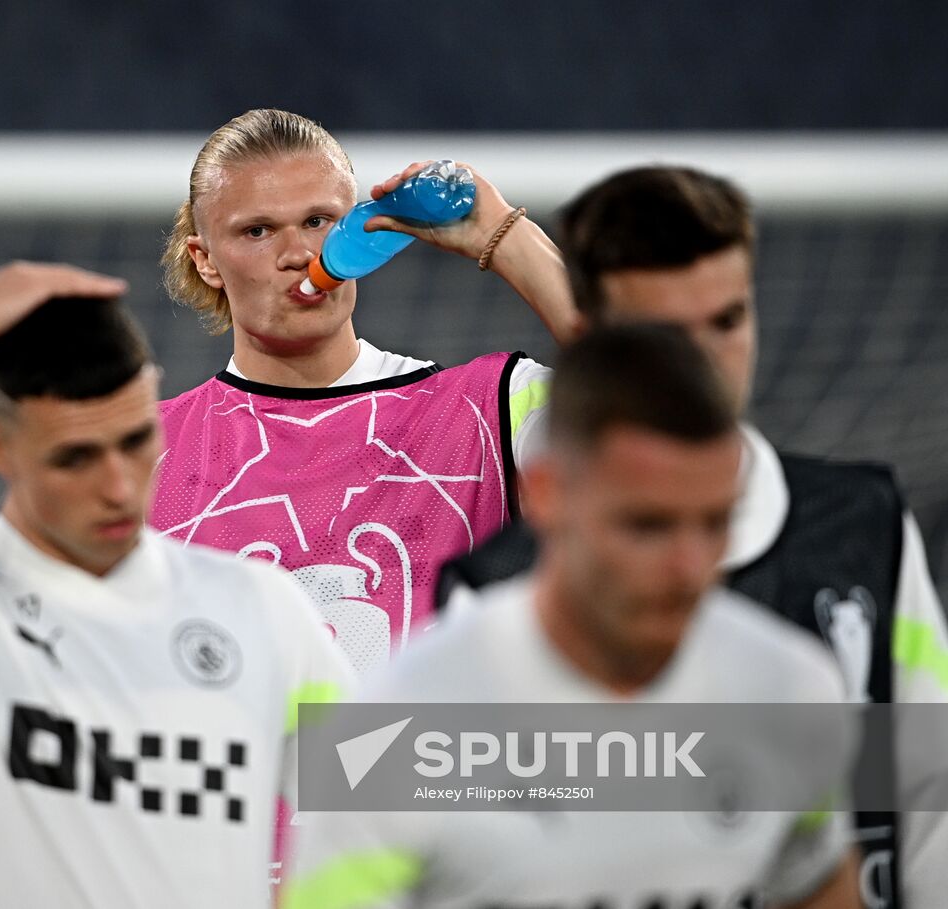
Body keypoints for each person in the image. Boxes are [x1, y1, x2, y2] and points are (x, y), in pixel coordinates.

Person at [442, 164, 948, 908]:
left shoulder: (863, 525)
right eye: (668, 333)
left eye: (728, 319)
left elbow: (930, 798)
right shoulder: (496, 589)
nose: (707, 358)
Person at [0, 260, 353, 907]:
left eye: (134, 440)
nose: (119, 487)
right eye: (75, 458)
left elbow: (383, 783)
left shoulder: (257, 606)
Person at [287, 324, 860, 909]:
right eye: (647, 525)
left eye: (716, 523)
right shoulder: (392, 730)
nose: (690, 567)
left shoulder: (789, 688)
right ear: (545, 494)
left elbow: (817, 884)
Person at [151, 108, 578, 674]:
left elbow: (666, 413)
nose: (297, 254)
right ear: (205, 260)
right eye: (257, 231)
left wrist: (503, 234)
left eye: (319, 221)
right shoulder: (144, 450)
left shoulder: (491, 405)